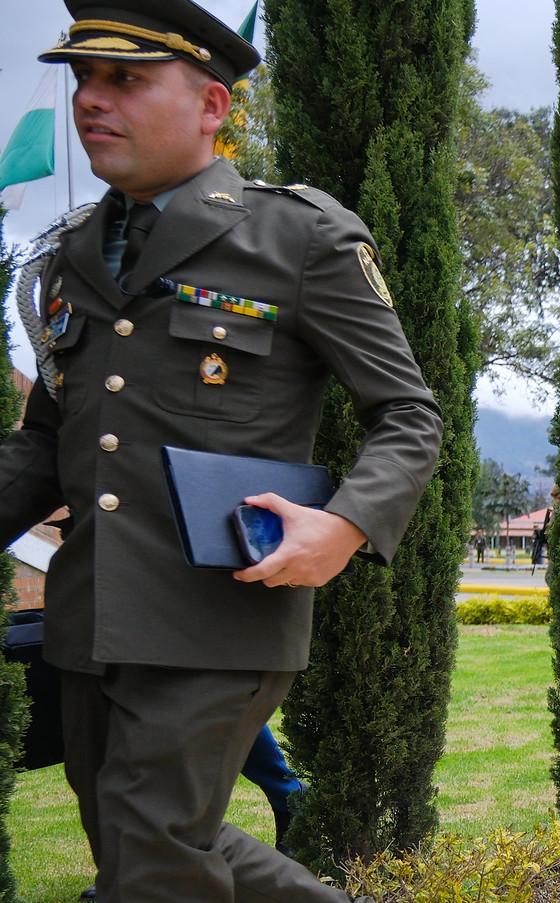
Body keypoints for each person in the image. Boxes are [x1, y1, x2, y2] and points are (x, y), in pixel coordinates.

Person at [0, 4, 444, 900]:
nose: (93, 98)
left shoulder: (299, 239)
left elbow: (407, 412)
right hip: (92, 615)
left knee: (153, 844)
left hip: (219, 612)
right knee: (147, 834)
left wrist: (345, 525)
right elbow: (48, 440)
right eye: (85, 78)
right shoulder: (74, 254)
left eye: (125, 79)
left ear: (212, 105)